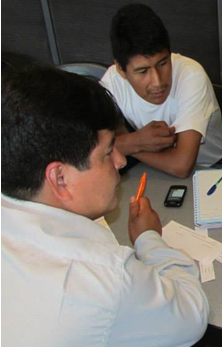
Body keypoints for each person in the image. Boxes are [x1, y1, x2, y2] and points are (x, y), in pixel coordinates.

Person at [1, 66, 209, 346]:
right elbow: (192, 313)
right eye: (108, 152)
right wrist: (149, 239)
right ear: (60, 179)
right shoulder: (107, 281)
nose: (121, 161)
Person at [101, 3, 222, 178]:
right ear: (121, 70)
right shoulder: (111, 81)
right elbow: (90, 148)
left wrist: (130, 144)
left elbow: (181, 166)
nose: (157, 82)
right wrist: (137, 141)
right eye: (143, 71)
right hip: (150, 168)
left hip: (209, 170)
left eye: (163, 63)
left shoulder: (191, 74)